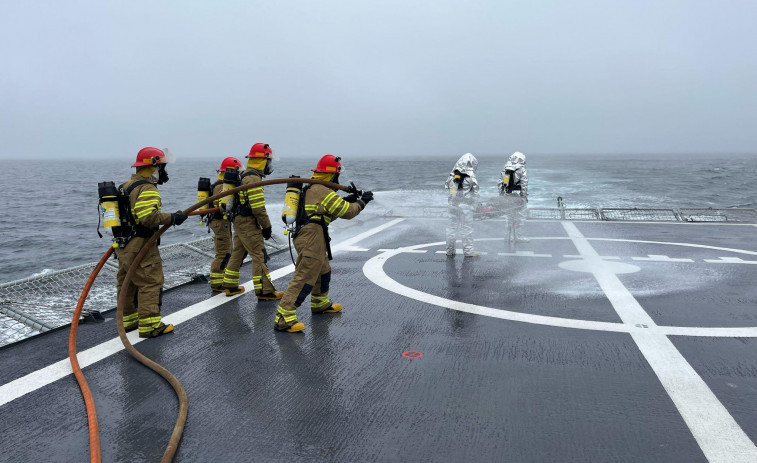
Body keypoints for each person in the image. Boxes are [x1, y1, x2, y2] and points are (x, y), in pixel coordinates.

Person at [275, 154, 373, 332]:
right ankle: (284, 317)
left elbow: (325, 215)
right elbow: (348, 213)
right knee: (305, 275)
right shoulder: (322, 190)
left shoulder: (315, 188)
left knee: (323, 270)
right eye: (337, 174)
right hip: (311, 238)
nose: (338, 178)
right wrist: (361, 202)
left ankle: (319, 303)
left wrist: (348, 200)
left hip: (313, 236)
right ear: (331, 175)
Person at [116, 147, 188, 338]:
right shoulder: (147, 188)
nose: (164, 172)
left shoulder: (126, 185)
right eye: (162, 167)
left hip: (123, 244)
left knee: (128, 281)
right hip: (141, 245)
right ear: (154, 167)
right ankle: (150, 325)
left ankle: (130, 320)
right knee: (150, 281)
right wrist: (173, 218)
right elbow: (148, 217)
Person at [222, 143, 282, 300]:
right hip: (248, 222)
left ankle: (229, 285)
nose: (270, 165)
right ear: (262, 161)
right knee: (259, 255)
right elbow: (258, 208)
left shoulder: (245, 175)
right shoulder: (253, 178)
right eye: (268, 162)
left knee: (238, 252)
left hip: (239, 220)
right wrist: (267, 226)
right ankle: (265, 291)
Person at [208, 157, 242, 292]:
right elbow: (223, 205)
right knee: (223, 253)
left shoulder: (218, 183)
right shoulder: (222, 185)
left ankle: (218, 281)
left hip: (220, 222)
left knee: (224, 251)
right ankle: (216, 284)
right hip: (221, 222)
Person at [445, 153, 480, 257]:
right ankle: (469, 252)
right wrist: (474, 206)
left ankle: (449, 250)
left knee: (451, 228)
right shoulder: (471, 177)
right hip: (465, 206)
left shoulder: (452, 176)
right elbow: (475, 193)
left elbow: (447, 187)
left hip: (453, 205)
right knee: (467, 229)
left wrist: (452, 201)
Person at [497, 151, 529, 242]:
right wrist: (524, 197)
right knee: (519, 217)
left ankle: (507, 236)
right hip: (518, 196)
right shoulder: (521, 169)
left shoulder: (505, 169)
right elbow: (524, 185)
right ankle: (518, 237)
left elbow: (500, 183)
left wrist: (501, 196)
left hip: (507, 196)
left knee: (509, 217)